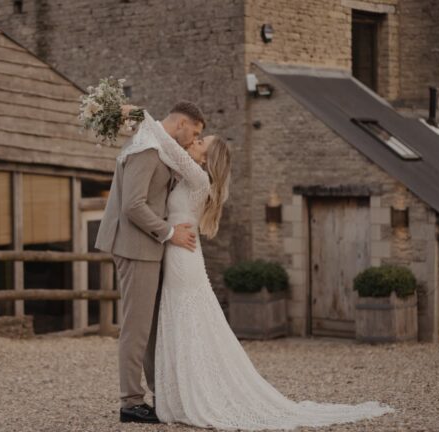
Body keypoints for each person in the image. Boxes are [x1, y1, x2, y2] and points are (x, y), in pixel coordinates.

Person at [116, 106, 396, 430]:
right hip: (178, 250)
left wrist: (138, 113)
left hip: (181, 253)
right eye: (197, 136)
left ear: (207, 159)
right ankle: (175, 392)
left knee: (182, 320)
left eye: (200, 141)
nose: (194, 142)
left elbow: (167, 147)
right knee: (178, 322)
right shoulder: (191, 175)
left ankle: (188, 393)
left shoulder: (197, 177)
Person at [94, 101, 205, 423]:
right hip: (134, 247)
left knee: (151, 328)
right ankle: (130, 402)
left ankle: (160, 394)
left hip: (147, 248)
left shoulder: (158, 146)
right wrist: (169, 232)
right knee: (136, 327)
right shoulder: (147, 148)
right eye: (194, 133)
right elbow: (133, 205)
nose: (192, 140)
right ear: (182, 123)